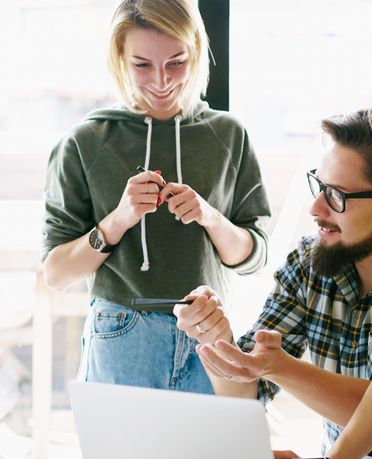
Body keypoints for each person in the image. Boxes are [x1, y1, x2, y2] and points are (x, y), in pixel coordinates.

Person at [174, 110, 372, 458]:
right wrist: (218, 341)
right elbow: (247, 394)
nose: (316, 208)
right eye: (319, 186)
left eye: (337, 195)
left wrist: (280, 367)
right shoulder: (310, 262)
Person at [41, 0, 270, 392]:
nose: (161, 80)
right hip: (121, 332)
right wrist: (119, 219)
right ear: (119, 58)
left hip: (210, 333)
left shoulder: (230, 134)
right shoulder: (85, 141)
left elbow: (254, 259)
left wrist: (210, 217)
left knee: (211, 455)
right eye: (142, 65)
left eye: (176, 62)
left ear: (196, 52)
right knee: (121, 456)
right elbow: (57, 274)